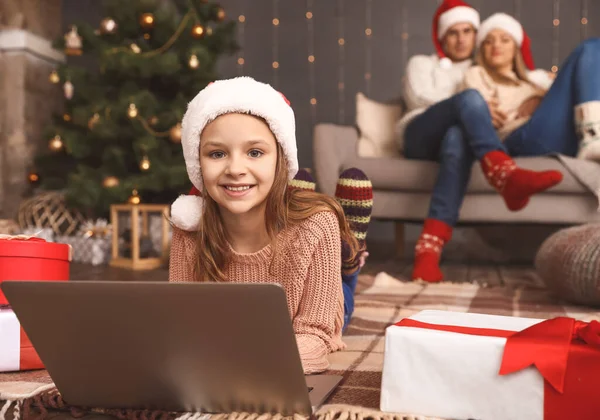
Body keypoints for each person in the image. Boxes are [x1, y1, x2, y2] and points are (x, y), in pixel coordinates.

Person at [167, 77, 373, 374]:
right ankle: (345, 255)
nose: (235, 169)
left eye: (254, 153)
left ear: (281, 161)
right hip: (267, 344)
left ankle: (348, 259)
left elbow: (315, 335)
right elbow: (181, 327)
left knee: (341, 296)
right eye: (217, 154)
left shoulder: (316, 225)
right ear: (197, 164)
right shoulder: (189, 229)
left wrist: (234, 363)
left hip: (315, 301)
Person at [397, 1, 560, 283]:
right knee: (470, 101)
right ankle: (503, 173)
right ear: (442, 37)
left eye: (468, 31)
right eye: (453, 33)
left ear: (476, 35)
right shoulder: (423, 64)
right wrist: (475, 107)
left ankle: (428, 252)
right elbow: (418, 98)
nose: (461, 40)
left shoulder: (483, 69)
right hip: (419, 135)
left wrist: (541, 89)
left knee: (457, 138)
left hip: (449, 142)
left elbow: (527, 77)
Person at [464, 13, 600, 162]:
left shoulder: (533, 81)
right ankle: (593, 137)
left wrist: (539, 98)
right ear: (482, 49)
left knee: (594, 51)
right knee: (589, 48)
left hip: (549, 133)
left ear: (516, 48)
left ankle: (592, 137)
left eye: (505, 40)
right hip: (515, 139)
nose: (496, 45)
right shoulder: (476, 74)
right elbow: (482, 113)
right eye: (488, 42)